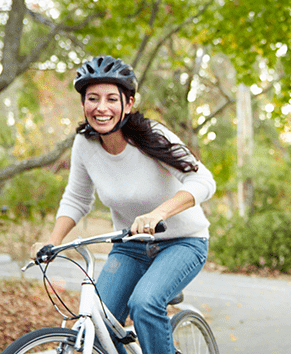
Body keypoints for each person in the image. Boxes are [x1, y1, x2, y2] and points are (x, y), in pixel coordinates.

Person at [32, 55, 216, 354]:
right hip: (130, 246)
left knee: (144, 303)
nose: (101, 108)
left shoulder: (152, 136)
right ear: (83, 104)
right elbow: (77, 198)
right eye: (92, 98)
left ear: (128, 104)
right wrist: (52, 242)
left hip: (182, 243)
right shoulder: (84, 144)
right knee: (98, 321)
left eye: (110, 99)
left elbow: (203, 181)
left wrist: (159, 213)